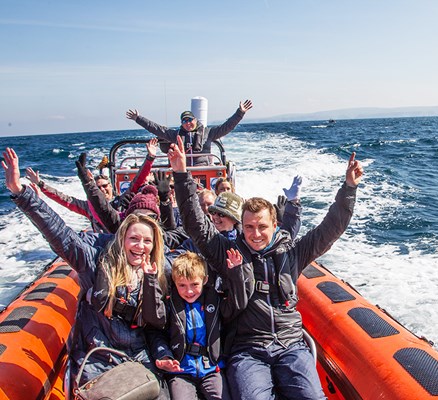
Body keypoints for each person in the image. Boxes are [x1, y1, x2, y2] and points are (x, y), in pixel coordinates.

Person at [168, 136, 364, 400]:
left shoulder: (292, 253)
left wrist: (348, 188)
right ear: (241, 226)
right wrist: (181, 175)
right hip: (247, 350)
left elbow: (330, 229)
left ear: (275, 225)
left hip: (290, 345)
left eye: (262, 227)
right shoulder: (227, 252)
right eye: (249, 227)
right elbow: (196, 224)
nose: (255, 234)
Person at [2, 147, 170, 399]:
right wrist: (21, 193)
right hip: (98, 355)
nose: (140, 246)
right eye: (134, 238)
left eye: (147, 241)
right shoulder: (95, 260)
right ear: (122, 238)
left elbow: (159, 319)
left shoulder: (160, 270)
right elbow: (61, 235)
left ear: (155, 244)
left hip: (140, 355)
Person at [148, 250, 247, 400]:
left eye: (194, 284)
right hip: (181, 370)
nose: (188, 291)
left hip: (212, 368)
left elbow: (237, 305)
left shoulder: (215, 300)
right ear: (174, 283)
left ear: (205, 280)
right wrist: (164, 356)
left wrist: (235, 274)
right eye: (182, 285)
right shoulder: (169, 304)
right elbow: (156, 330)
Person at [126, 100, 253, 166]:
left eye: (190, 120)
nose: (188, 123)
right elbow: (156, 128)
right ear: (181, 123)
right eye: (184, 121)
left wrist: (240, 112)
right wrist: (138, 118)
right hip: (183, 170)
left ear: (195, 120)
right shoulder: (174, 134)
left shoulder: (208, 132)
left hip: (203, 169)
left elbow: (228, 126)